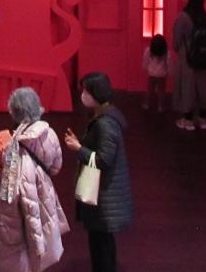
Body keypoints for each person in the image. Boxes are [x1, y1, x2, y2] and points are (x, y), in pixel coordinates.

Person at [0, 87, 69, 272]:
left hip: (10, 204)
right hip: (41, 198)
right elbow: (55, 168)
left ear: (13, 110)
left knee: (12, 249)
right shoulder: (49, 134)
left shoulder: (4, 138)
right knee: (36, 242)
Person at [63, 73, 131, 272]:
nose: (82, 94)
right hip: (103, 193)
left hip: (103, 194)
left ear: (96, 93)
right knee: (103, 241)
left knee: (100, 244)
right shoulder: (105, 116)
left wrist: (78, 149)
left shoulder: (105, 123)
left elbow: (104, 160)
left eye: (86, 90)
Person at [173, 0, 206, 131]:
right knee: (204, 87)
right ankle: (203, 120)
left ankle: (188, 120)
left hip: (188, 57)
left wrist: (179, 49)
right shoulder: (204, 15)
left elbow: (177, 40)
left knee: (188, 87)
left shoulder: (183, 17)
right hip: (205, 56)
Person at [142, 34, 169, 112]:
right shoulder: (166, 53)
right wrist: (169, 71)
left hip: (152, 73)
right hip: (162, 74)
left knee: (149, 90)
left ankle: (146, 104)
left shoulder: (148, 50)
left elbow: (145, 61)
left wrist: (145, 67)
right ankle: (160, 106)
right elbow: (169, 63)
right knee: (161, 91)